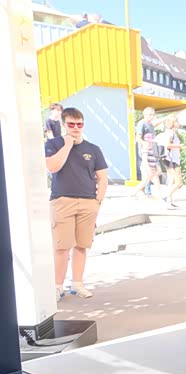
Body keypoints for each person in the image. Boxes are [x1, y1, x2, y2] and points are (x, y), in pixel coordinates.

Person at [44, 107, 108, 301]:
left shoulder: (93, 149)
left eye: (79, 124)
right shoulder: (53, 144)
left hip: (88, 202)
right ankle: (57, 286)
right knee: (62, 247)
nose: (75, 128)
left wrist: (97, 201)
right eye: (71, 124)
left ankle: (77, 284)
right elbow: (52, 167)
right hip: (62, 200)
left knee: (81, 246)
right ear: (64, 124)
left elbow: (102, 178)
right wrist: (67, 145)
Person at [132, 132, 165, 202]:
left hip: (153, 168)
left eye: (150, 141)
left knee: (157, 182)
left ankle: (160, 197)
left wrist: (157, 167)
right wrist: (148, 169)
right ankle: (133, 193)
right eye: (148, 141)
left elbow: (155, 158)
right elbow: (144, 160)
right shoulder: (145, 148)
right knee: (144, 181)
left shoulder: (153, 147)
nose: (150, 142)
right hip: (146, 168)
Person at [158, 116, 183, 207]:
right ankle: (166, 196)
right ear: (172, 123)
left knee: (171, 180)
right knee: (178, 181)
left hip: (170, 159)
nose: (178, 122)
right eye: (176, 121)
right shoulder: (170, 133)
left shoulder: (171, 132)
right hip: (171, 160)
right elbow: (168, 145)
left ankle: (169, 200)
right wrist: (179, 146)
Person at [134, 107, 156, 196]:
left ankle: (145, 190)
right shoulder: (141, 124)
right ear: (144, 115)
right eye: (149, 114)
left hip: (151, 152)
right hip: (144, 152)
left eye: (152, 115)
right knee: (147, 171)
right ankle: (144, 190)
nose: (151, 116)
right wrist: (144, 144)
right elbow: (138, 138)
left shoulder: (151, 125)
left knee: (151, 171)